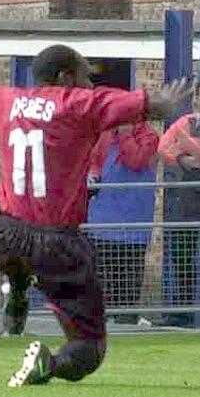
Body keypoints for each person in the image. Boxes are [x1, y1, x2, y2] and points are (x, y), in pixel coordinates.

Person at [0, 45, 193, 387]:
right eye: (84, 75)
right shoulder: (76, 104)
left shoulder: (7, 100)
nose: (89, 84)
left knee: (13, 239)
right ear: (65, 77)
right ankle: (48, 363)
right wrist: (166, 102)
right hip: (55, 241)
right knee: (89, 349)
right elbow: (148, 104)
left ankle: (17, 289)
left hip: (4, 233)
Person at [87, 122, 159, 324]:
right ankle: (103, 320)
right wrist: (92, 176)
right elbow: (94, 161)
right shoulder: (105, 134)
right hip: (103, 221)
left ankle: (127, 320)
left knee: (129, 277)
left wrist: (125, 134)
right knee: (104, 277)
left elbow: (136, 160)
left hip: (134, 223)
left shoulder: (149, 136)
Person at [157, 79, 200, 327]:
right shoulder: (185, 123)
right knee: (183, 260)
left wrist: (187, 146)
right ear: (195, 99)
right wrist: (183, 156)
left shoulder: (184, 130)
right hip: (187, 204)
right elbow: (163, 146)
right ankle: (182, 315)